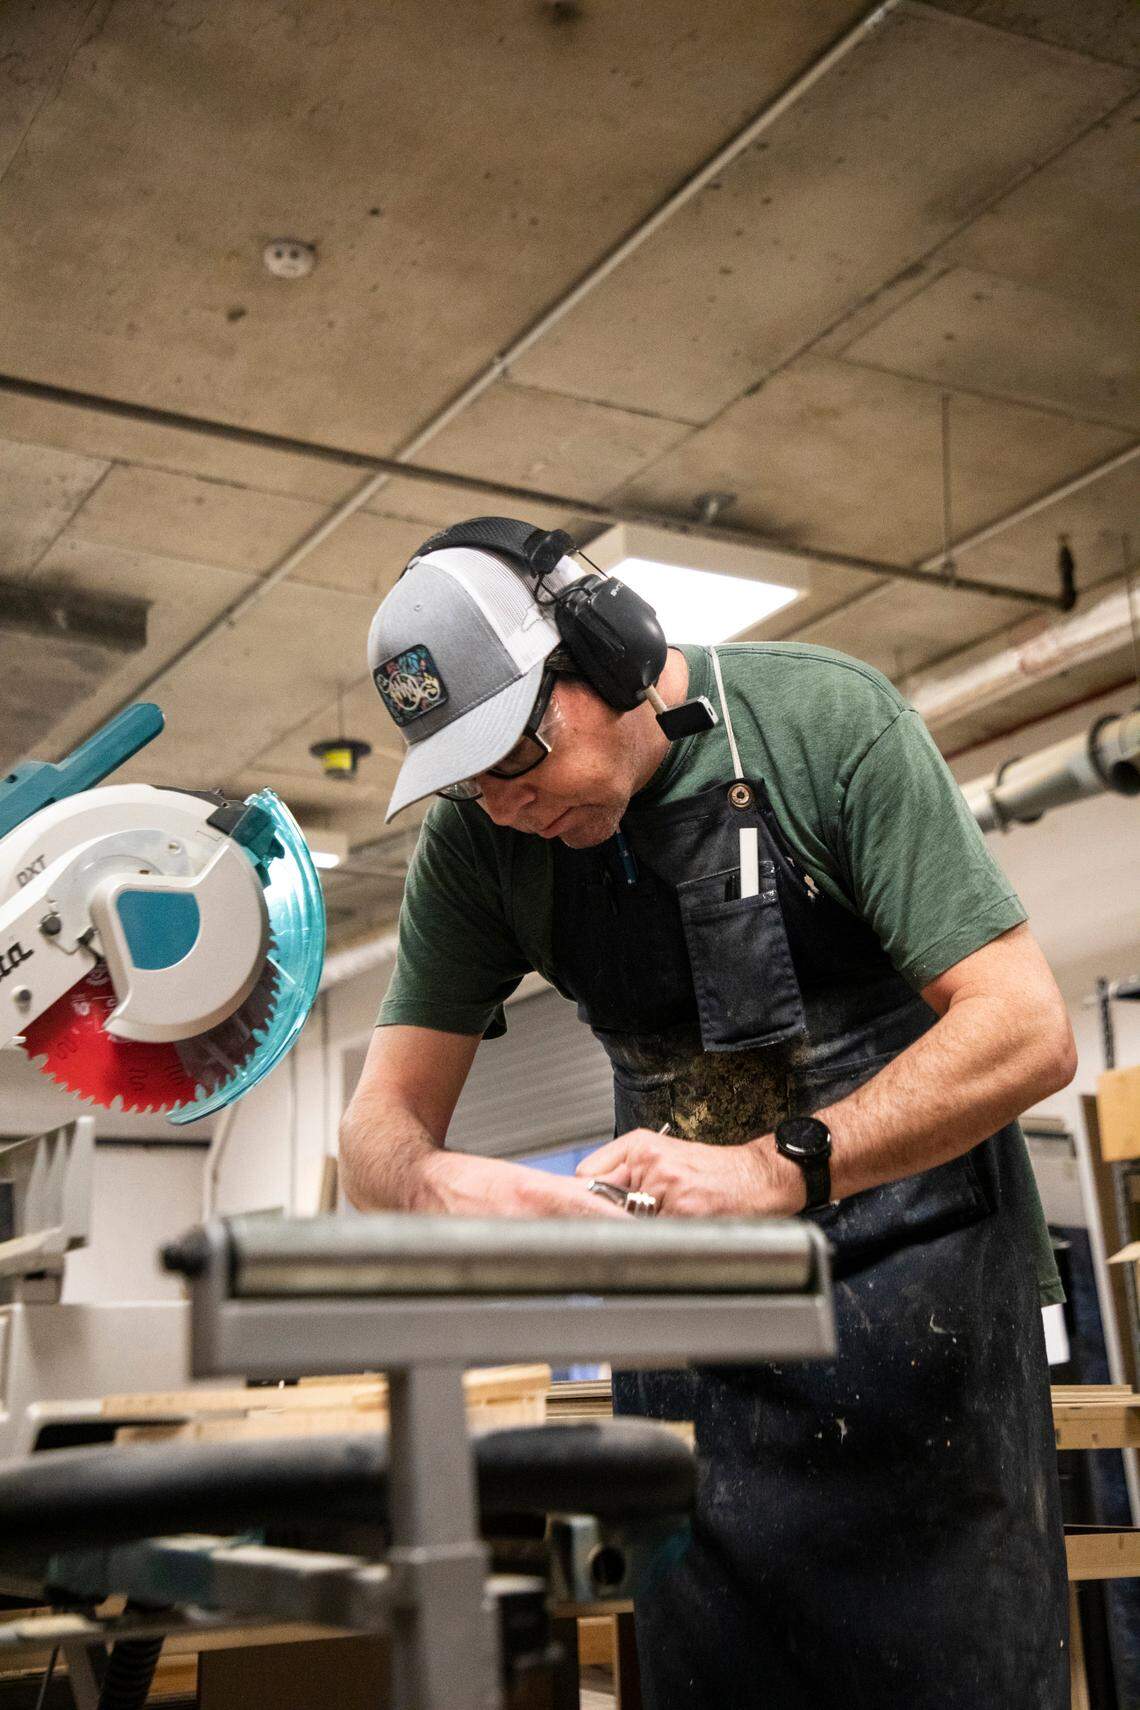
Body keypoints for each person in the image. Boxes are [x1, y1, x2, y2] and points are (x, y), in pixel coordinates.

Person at [341, 515, 1075, 1710]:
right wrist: (435, 1183)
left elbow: (1027, 1028)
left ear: (612, 655)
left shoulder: (825, 727)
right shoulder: (480, 844)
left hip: (924, 1340)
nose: (503, 804)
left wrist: (785, 1165)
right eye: (470, 780)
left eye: (517, 762)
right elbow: (374, 1132)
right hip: (694, 1367)